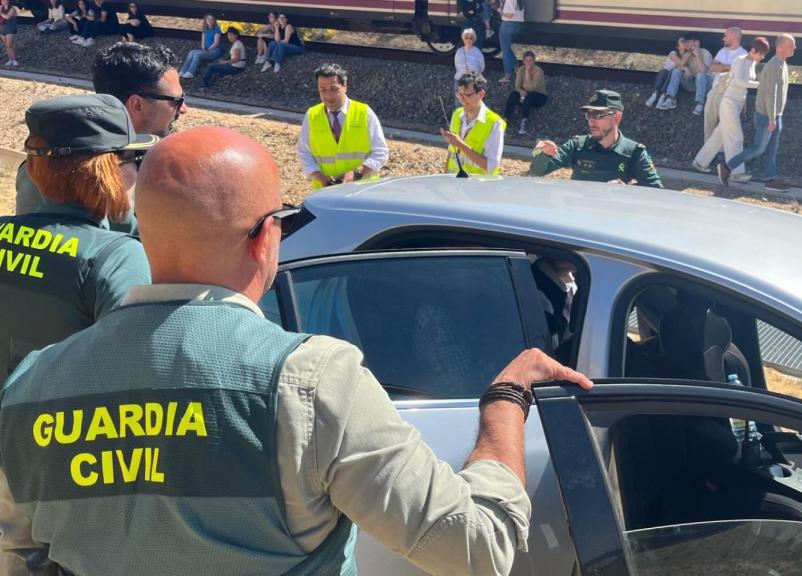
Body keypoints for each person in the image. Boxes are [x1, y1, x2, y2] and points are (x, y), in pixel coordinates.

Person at [0, 125, 594, 576]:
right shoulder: (309, 378)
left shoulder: (30, 384)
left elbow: (19, 549)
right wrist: (505, 402)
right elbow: (478, 548)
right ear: (264, 237)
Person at [0, 93, 156, 378]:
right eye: (137, 158)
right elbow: (133, 370)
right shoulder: (118, 258)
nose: (138, 171)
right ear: (109, 170)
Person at [16, 42, 186, 216]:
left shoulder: (49, 162)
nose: (184, 108)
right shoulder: (66, 169)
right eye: (176, 100)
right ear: (137, 105)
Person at [530, 89, 663, 188]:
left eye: (598, 115)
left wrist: (626, 190)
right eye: (589, 115)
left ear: (616, 117)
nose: (591, 121)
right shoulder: (577, 145)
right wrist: (544, 155)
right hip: (577, 216)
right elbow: (536, 172)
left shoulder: (634, 153)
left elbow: (656, 190)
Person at [718, 34, 797, 191]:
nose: (794, 48)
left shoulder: (782, 64)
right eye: (791, 45)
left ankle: (770, 180)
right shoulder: (774, 66)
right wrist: (772, 118)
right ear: (781, 47)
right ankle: (727, 167)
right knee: (758, 148)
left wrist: (776, 116)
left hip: (775, 115)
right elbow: (770, 94)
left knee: (771, 150)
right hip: (767, 115)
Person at [297, 63, 388, 188]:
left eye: (334, 89)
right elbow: (304, 153)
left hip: (362, 191)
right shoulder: (312, 115)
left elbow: (380, 152)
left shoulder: (364, 112)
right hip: (325, 192)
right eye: (323, 90)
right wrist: (320, 176)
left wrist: (357, 173)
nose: (328, 96)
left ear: (345, 86)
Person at [692, 37, 769, 176]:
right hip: (729, 103)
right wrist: (759, 85)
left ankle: (700, 161)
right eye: (761, 53)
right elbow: (740, 81)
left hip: (736, 103)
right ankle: (736, 172)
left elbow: (742, 83)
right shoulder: (739, 60)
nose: (762, 57)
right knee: (736, 137)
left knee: (719, 136)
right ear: (753, 50)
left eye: (764, 54)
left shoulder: (751, 63)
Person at [441, 72, 505, 175]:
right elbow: (451, 153)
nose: (461, 99)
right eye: (459, 94)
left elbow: (491, 166)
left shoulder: (494, 123)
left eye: (466, 95)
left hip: (479, 188)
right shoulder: (457, 114)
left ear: (481, 94)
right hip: (454, 186)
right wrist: (445, 177)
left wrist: (460, 144)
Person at [702, 27, 747, 137]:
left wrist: (721, 67)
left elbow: (743, 78)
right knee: (709, 123)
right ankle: (707, 151)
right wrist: (730, 67)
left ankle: (722, 150)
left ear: (733, 37)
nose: (723, 39)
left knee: (725, 126)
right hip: (715, 91)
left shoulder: (744, 55)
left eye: (725, 36)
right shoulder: (722, 51)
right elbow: (711, 67)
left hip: (730, 94)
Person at [649, 34, 712, 111]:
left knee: (700, 75)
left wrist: (698, 55)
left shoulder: (706, 53)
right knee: (676, 71)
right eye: (686, 42)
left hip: (705, 86)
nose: (686, 44)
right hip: (691, 84)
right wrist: (685, 68)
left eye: (688, 42)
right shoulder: (686, 54)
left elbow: (703, 71)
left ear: (697, 42)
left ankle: (700, 103)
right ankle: (671, 98)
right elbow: (678, 66)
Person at [502, 50, 546, 135]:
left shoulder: (538, 71)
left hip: (539, 96)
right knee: (513, 94)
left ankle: (524, 121)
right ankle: (506, 119)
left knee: (530, 95)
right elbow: (517, 86)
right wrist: (520, 91)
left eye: (531, 60)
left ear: (534, 61)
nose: (528, 63)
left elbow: (532, 88)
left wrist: (527, 73)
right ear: (523, 61)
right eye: (526, 60)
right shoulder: (520, 70)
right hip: (525, 94)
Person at [179, 14, 221, 79]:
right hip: (206, 50)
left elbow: (216, 42)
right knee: (192, 52)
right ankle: (183, 71)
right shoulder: (205, 29)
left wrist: (208, 49)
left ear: (214, 20)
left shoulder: (216, 29)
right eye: (208, 19)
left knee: (198, 54)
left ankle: (190, 72)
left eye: (212, 19)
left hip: (214, 51)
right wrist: (203, 48)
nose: (210, 21)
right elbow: (203, 42)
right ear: (205, 20)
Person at [497, 0, 522, 84]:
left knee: (505, 51)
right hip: (516, 25)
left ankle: (507, 76)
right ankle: (516, 67)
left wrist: (500, 11)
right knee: (506, 48)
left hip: (507, 25)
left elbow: (510, 15)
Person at [453, 28, 485, 93]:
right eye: (466, 38)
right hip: (459, 80)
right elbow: (457, 66)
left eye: (471, 38)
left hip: (472, 81)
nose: (468, 40)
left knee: (472, 101)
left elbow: (482, 67)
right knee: (459, 101)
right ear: (463, 39)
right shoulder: (459, 51)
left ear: (474, 40)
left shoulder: (477, 52)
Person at [0, 0, 17, 66]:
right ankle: (10, 59)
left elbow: (7, 17)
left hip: (10, 29)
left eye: (4, 0)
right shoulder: (1, 8)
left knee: (9, 45)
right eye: (1, 1)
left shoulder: (12, 9)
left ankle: (14, 60)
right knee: (6, 46)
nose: (2, 2)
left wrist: (0, 13)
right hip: (2, 28)